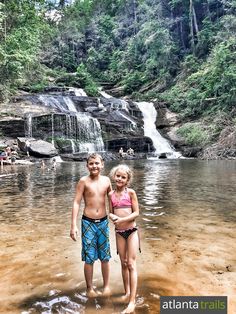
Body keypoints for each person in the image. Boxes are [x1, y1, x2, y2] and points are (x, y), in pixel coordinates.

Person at [70, 153, 112, 297]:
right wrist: (73, 225)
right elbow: (76, 202)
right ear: (87, 166)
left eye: (97, 163)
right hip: (88, 223)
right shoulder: (83, 181)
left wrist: (119, 217)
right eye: (91, 163)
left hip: (103, 222)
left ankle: (106, 286)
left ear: (102, 164)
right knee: (89, 258)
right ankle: (90, 288)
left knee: (105, 257)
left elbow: (112, 200)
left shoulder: (107, 181)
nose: (94, 166)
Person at [108, 164, 140, 314]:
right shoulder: (111, 195)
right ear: (114, 176)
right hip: (119, 232)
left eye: (123, 177)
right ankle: (127, 293)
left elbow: (136, 213)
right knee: (123, 262)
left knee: (131, 264)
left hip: (131, 231)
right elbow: (110, 212)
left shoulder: (131, 193)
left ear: (127, 180)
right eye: (118, 176)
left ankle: (132, 302)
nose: (120, 179)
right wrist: (112, 216)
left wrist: (123, 219)